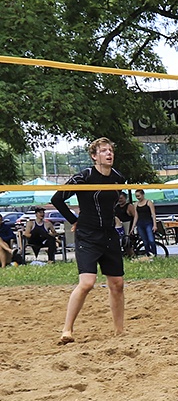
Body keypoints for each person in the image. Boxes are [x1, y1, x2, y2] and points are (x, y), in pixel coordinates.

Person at [50, 137, 127, 344]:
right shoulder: (83, 177)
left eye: (110, 150)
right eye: (103, 151)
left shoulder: (118, 178)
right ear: (94, 156)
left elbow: (115, 204)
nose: (109, 153)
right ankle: (67, 330)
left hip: (109, 234)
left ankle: (119, 331)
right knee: (87, 283)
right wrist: (74, 220)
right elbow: (57, 199)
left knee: (117, 283)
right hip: (88, 234)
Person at [132, 189, 157, 257]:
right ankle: (148, 255)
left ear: (143, 195)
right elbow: (136, 216)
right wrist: (133, 227)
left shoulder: (149, 202)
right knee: (145, 242)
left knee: (151, 240)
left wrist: (155, 225)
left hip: (148, 223)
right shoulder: (136, 204)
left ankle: (154, 254)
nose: (138, 197)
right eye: (136, 196)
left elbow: (153, 214)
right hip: (140, 224)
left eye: (139, 196)